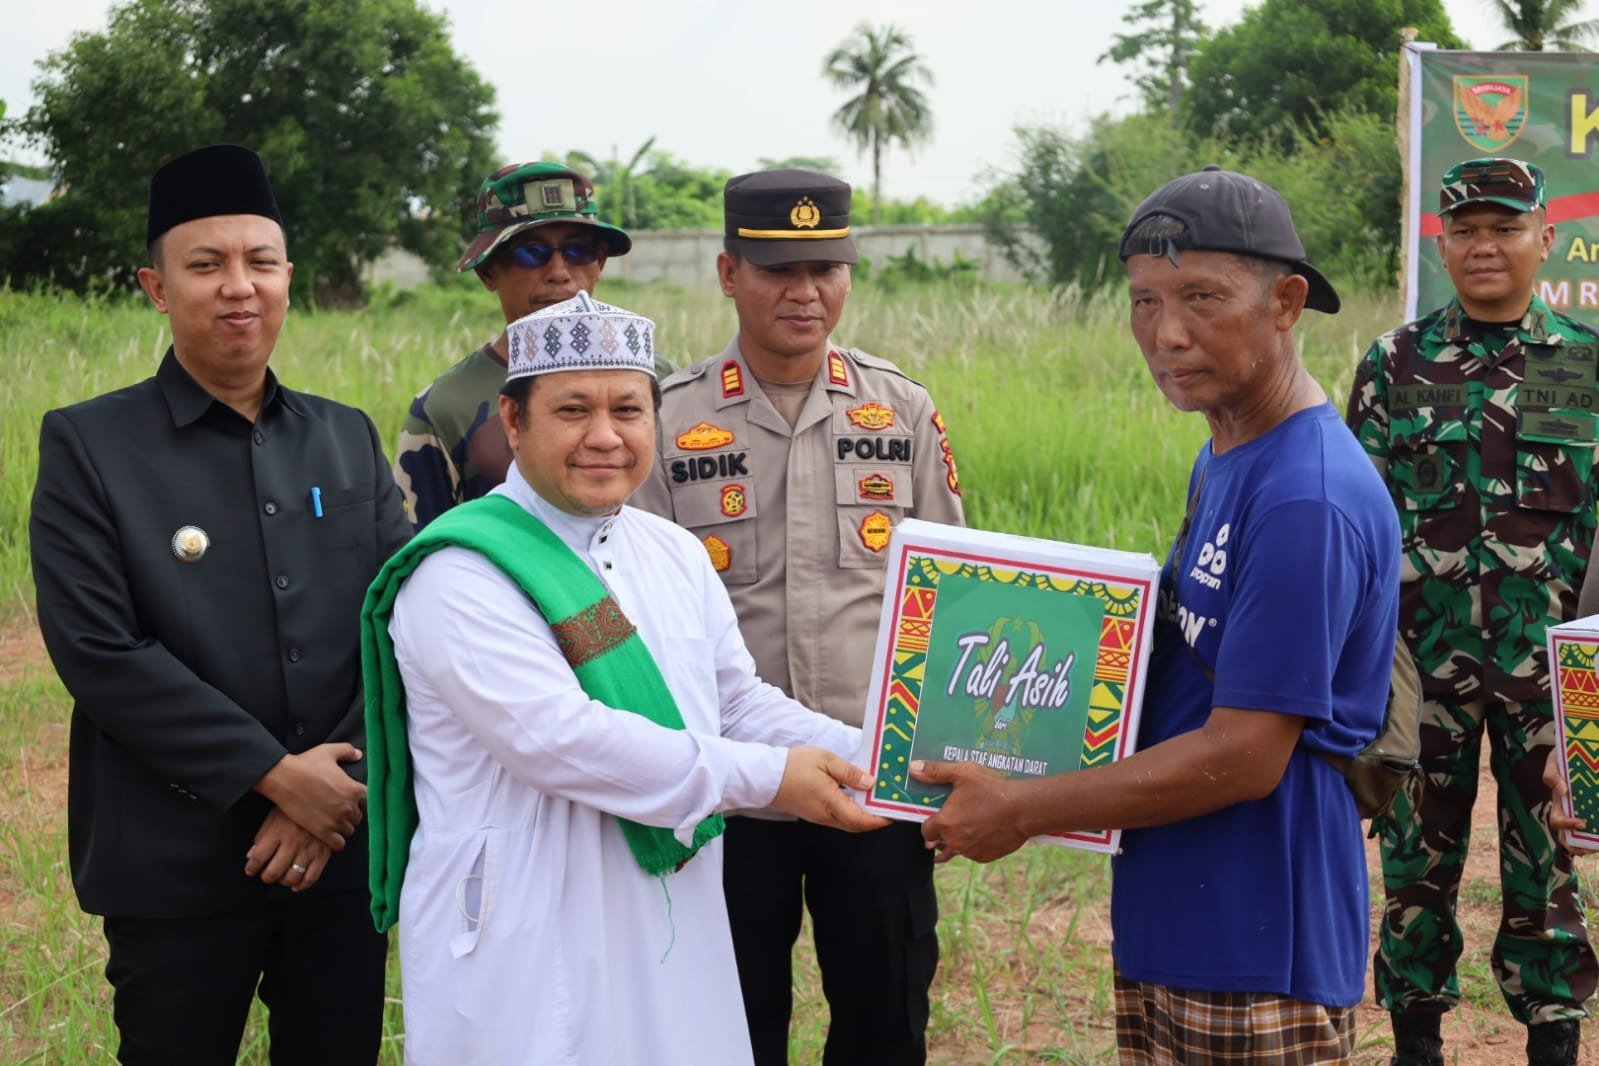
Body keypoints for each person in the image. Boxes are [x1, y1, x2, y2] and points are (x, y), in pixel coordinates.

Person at [911, 166, 1398, 1064]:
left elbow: (1245, 756)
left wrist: (1019, 808)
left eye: (1202, 298)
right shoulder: (1228, 453)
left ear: (1285, 302)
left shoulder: (1305, 497)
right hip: (1182, 910)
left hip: (1257, 941)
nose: (1166, 334)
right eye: (1144, 301)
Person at [361, 292, 889, 1065]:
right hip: (524, 923)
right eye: (573, 410)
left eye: (628, 410)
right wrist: (774, 778)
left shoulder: (671, 550)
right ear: (514, 423)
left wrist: (878, 757)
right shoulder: (462, 572)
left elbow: (734, 701)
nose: (604, 437)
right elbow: (556, 740)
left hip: (666, 906)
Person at [29, 144, 411, 1065]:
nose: (238, 287)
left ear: (287, 277)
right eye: (206, 265)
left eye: (261, 262)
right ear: (156, 288)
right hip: (175, 864)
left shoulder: (344, 437)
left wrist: (337, 790)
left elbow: (405, 622)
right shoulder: (89, 445)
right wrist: (277, 777)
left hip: (340, 852)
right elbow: (100, 651)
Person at [630, 168, 965, 1065]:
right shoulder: (668, 419)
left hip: (871, 779)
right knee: (732, 1027)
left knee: (886, 1017)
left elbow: (952, 597)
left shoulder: (900, 410)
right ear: (728, 273)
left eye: (826, 268)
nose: (805, 292)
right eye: (779, 270)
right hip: (732, 790)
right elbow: (645, 614)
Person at [1347, 157, 1599, 1066]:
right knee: (1414, 868)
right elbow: (1357, 527)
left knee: (1548, 870)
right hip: (1422, 671)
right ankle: (1416, 1038)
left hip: (1549, 677)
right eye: (1465, 229)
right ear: (1441, 243)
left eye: (1504, 227)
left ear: (1546, 239)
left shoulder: (1586, 360)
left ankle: (1553, 1039)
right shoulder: (1394, 364)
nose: (1484, 245)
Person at [392, 160, 633, 530]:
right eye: (530, 253)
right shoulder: (446, 407)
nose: (558, 272)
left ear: (600, 263)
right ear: (489, 271)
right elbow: (421, 553)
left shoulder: (649, 380)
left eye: (578, 250)